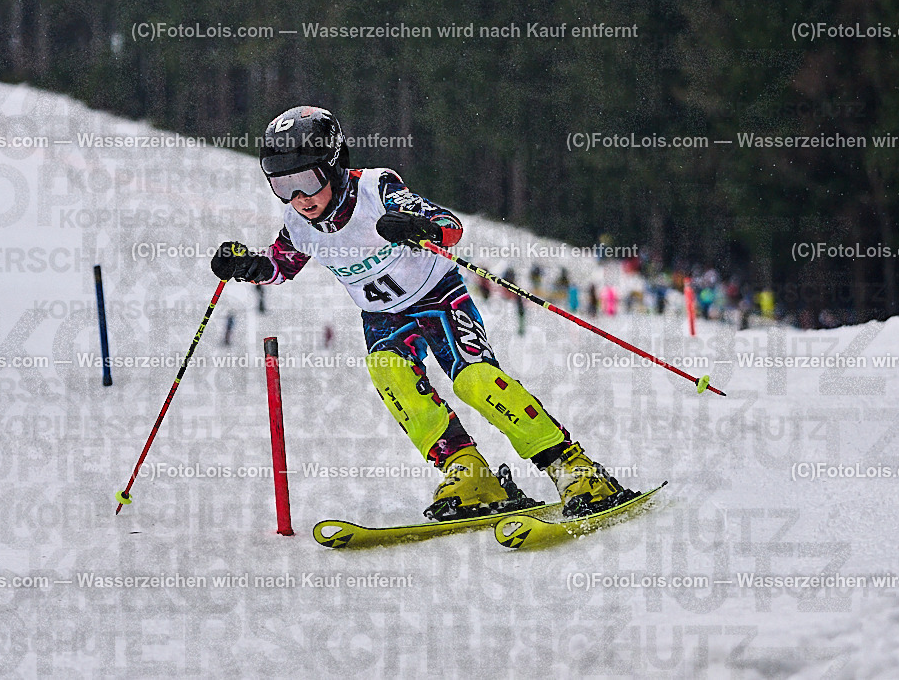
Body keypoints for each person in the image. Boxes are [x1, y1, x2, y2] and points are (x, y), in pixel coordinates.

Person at [210, 106, 637, 520]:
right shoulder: (299, 222)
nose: (299, 197)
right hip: (381, 317)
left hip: (438, 298)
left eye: (306, 180)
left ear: (335, 164)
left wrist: (419, 227)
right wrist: (244, 265)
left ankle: (573, 468)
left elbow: (447, 225)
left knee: (476, 381)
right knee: (387, 372)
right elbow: (280, 265)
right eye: (283, 186)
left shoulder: (376, 189)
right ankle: (470, 474)